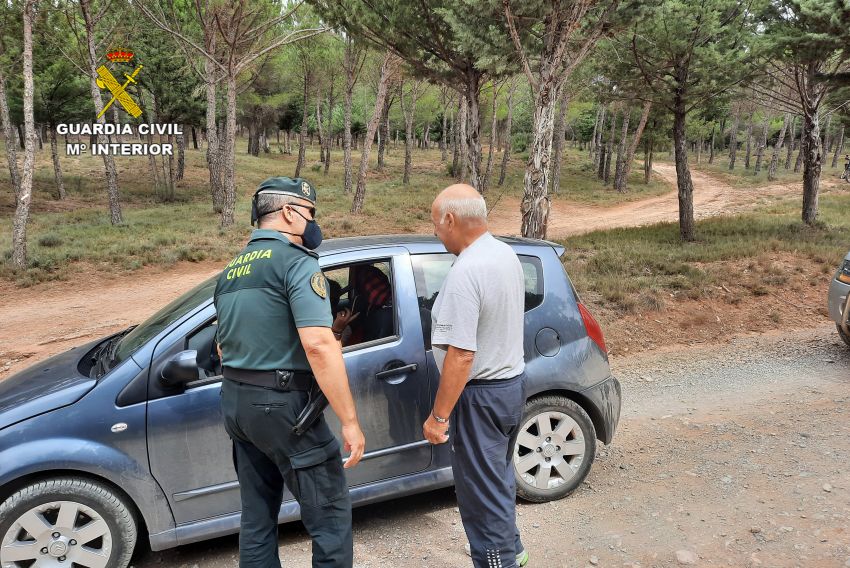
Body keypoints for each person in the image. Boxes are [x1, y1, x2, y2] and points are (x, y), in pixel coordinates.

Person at [214, 176, 366, 568]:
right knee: (330, 518)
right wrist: (350, 421)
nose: (313, 221)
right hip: (284, 408)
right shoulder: (296, 263)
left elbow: (221, 345)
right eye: (310, 212)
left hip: (237, 404)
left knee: (258, 517)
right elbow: (318, 345)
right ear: (288, 212)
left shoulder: (231, 270)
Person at [422, 184, 529, 568]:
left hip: (480, 396)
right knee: (496, 479)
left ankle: (498, 562)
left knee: (479, 494)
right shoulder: (503, 254)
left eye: (436, 224)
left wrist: (438, 417)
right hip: (510, 386)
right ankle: (513, 550)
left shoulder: (468, 269)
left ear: (450, 219)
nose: (435, 232)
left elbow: (462, 354)